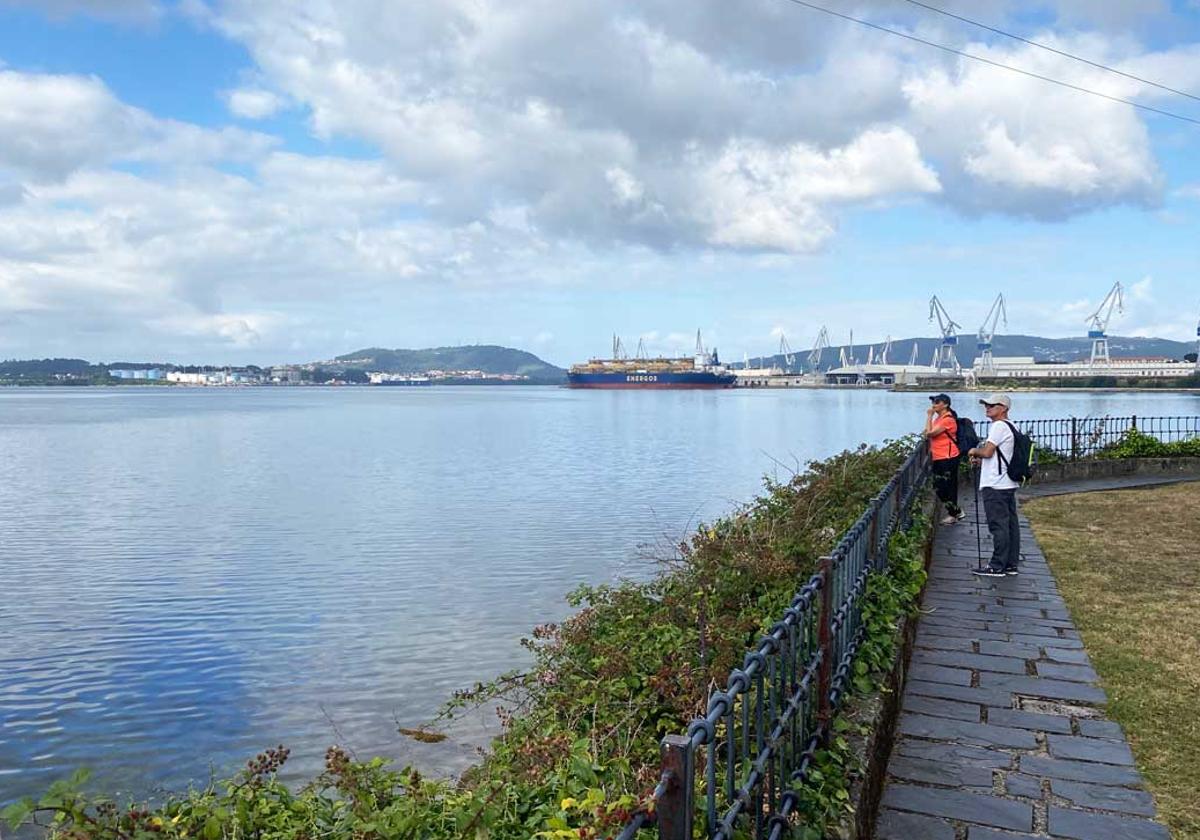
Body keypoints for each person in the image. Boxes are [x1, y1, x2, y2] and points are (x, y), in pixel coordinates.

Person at [967, 393, 1020, 577]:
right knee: (1010, 525)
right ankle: (1010, 564)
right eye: (986, 405)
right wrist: (982, 462)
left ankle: (996, 565)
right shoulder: (1012, 426)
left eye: (991, 405)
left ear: (1003, 408)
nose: (987, 408)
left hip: (995, 485)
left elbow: (988, 452)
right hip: (1007, 482)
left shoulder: (998, 426)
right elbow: (1000, 456)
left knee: (998, 526)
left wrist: (974, 451)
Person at [924, 394, 964, 525]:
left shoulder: (947, 420)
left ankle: (954, 513)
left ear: (945, 404)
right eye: (933, 402)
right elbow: (927, 431)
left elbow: (930, 433)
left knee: (947, 486)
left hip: (948, 456)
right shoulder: (939, 419)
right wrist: (931, 420)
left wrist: (929, 416)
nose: (933, 405)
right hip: (939, 456)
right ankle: (955, 512)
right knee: (938, 485)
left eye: (937, 402)